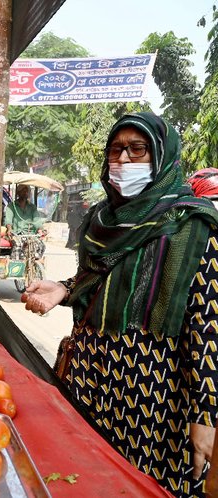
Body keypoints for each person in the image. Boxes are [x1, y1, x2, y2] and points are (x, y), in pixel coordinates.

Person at [22, 112, 218, 498]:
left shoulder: (195, 228)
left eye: (137, 149)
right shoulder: (101, 221)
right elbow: (99, 277)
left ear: (162, 157)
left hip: (151, 400)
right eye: (116, 150)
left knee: (138, 487)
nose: (124, 160)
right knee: (78, 480)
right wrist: (65, 289)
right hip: (86, 380)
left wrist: (205, 416)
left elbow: (208, 328)